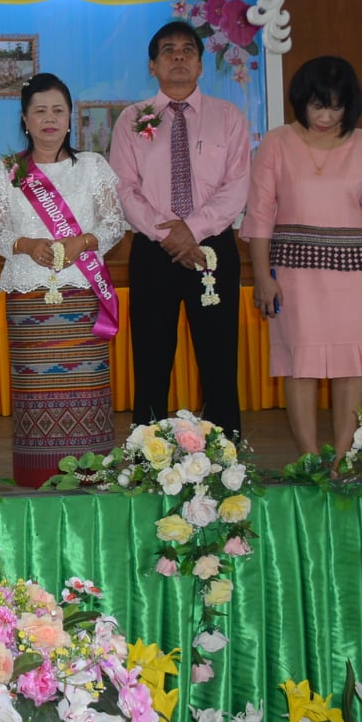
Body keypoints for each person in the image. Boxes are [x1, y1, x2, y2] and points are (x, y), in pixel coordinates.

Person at [243, 57, 362, 464]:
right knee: (301, 364)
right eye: (318, 106)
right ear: (302, 102)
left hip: (355, 275)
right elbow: (259, 215)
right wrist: (262, 276)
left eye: (336, 107)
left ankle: (342, 459)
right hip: (294, 276)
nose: (326, 116)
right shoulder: (277, 143)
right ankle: (311, 460)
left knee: (353, 365)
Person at [0, 73, 128, 486]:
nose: (49, 119)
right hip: (29, 298)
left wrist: (84, 240)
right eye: (39, 111)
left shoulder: (93, 167)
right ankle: (36, 475)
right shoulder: (9, 170)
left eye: (58, 111)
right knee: (35, 394)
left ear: (70, 119)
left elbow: (115, 222)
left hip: (83, 294)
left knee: (86, 393)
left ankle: (91, 474)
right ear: (25, 120)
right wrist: (27, 244)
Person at [109, 21, 250, 435]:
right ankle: (146, 450)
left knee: (219, 357)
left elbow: (237, 185)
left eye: (188, 50)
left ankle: (227, 452)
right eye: (168, 50)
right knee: (152, 357)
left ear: (202, 65)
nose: (178, 57)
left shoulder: (229, 118)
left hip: (214, 249)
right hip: (154, 251)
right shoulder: (132, 119)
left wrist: (194, 229)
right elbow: (124, 186)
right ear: (152, 66)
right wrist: (169, 234)